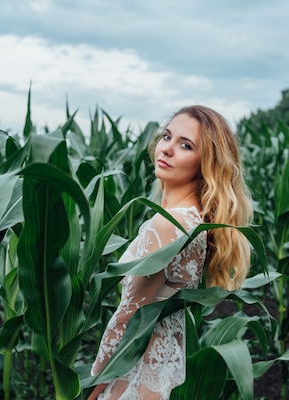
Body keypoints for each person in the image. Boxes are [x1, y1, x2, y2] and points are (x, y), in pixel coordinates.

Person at [88, 105, 254, 400]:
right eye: (167, 137)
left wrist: (94, 388)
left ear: (206, 163)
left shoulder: (166, 224)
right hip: (164, 373)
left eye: (185, 145)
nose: (167, 149)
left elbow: (127, 320)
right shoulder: (196, 220)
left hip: (133, 372)